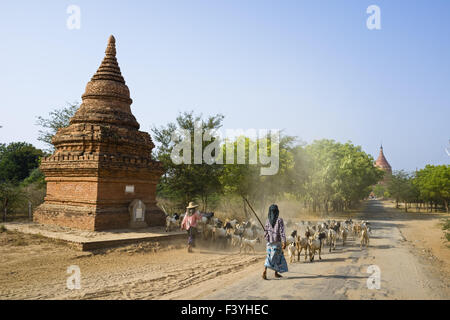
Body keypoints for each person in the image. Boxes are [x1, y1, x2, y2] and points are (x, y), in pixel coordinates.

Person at [262, 204, 288, 280]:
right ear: (277, 211)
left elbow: (265, 233)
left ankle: (269, 272)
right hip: (277, 243)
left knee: (269, 257)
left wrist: (269, 239)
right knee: (278, 257)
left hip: (269, 244)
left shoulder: (267, 220)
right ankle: (272, 272)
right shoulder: (280, 220)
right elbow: (282, 232)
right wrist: (284, 242)